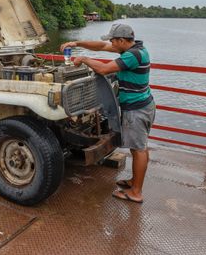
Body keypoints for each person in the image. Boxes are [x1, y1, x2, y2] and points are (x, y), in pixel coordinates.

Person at [60, 23, 155, 203]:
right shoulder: (136, 48)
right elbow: (101, 46)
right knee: (140, 146)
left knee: (139, 149)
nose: (110, 43)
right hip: (143, 105)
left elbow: (104, 69)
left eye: (113, 40)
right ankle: (134, 182)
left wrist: (85, 59)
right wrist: (76, 43)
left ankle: (136, 192)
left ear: (121, 40)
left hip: (137, 109)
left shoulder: (132, 55)